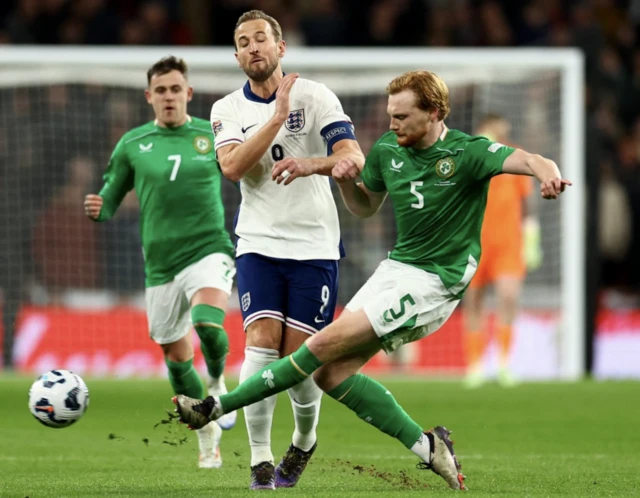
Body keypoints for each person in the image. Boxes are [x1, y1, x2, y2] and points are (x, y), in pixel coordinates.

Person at [173, 69, 571, 490]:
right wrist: (344, 183)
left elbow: (528, 159)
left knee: (319, 344)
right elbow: (365, 207)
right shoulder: (386, 150)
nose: (391, 124)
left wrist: (547, 173)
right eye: (390, 115)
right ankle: (428, 446)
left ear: (434, 113)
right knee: (328, 373)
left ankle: (215, 407)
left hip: (437, 280)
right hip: (397, 269)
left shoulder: (468, 152)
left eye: (401, 116)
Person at [209, 9, 365, 490]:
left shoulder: (316, 96)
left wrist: (315, 164)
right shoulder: (225, 109)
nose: (253, 46)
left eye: (262, 38)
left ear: (281, 48)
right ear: (237, 57)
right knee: (259, 346)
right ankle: (259, 457)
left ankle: (304, 439)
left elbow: (352, 155)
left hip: (315, 244)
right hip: (258, 242)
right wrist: (277, 116)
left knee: (300, 363)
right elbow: (232, 167)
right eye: (244, 41)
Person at [84, 56, 236, 469]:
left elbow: (244, 170)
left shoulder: (213, 134)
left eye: (176, 89)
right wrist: (101, 208)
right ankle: (206, 435)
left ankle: (219, 380)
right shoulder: (133, 144)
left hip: (209, 248)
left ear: (188, 94)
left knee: (207, 322)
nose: (169, 97)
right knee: (175, 356)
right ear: (149, 97)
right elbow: (111, 194)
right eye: (161, 91)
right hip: (160, 265)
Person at [463, 114, 542, 388]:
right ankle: (474, 365)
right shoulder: (469, 157)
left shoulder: (513, 158)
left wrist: (532, 238)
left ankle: (504, 363)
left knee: (508, 298)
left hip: (508, 243)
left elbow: (527, 203)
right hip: (475, 242)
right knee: (474, 301)